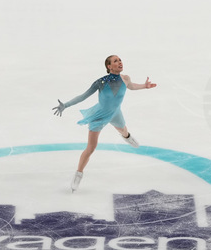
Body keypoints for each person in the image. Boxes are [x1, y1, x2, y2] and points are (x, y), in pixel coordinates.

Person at [52, 55, 157, 192]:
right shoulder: (100, 82)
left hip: (115, 113)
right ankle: (78, 174)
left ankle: (127, 137)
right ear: (109, 66)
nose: (119, 62)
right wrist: (65, 105)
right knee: (91, 148)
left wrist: (144, 86)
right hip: (99, 116)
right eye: (115, 61)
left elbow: (131, 86)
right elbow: (83, 96)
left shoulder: (125, 78)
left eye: (120, 60)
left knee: (124, 130)